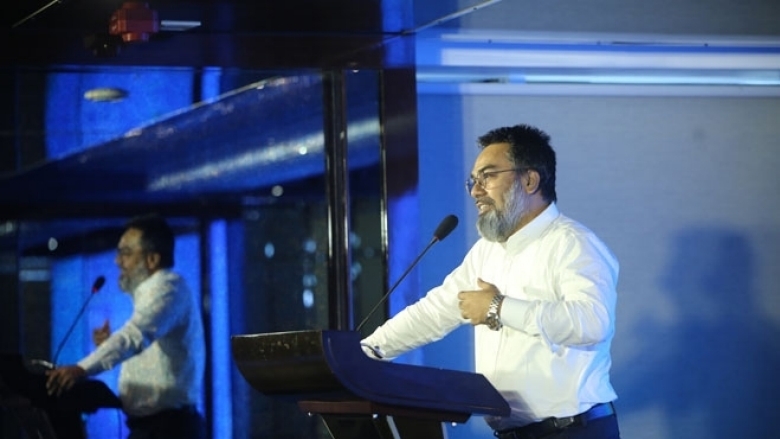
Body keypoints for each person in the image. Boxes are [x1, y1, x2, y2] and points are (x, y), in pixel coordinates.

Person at [361, 124, 621, 439]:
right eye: (473, 180)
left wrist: (498, 307)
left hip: (572, 432)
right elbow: (434, 312)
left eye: (488, 176)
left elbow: (592, 323)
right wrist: (363, 354)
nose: (475, 190)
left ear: (529, 180)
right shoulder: (487, 251)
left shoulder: (573, 243)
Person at [46, 213, 206, 439]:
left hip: (169, 430)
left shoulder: (168, 289)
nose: (117, 261)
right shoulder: (152, 295)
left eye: (126, 253)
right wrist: (108, 344)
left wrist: (81, 369)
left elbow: (135, 336)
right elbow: (144, 345)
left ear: (152, 260)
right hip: (150, 428)